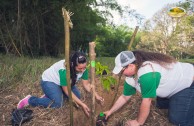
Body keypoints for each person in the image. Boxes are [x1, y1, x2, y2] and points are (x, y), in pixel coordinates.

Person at [104, 50, 194, 126]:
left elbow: (147, 100)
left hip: (187, 82)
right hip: (173, 84)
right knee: (160, 105)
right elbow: (124, 96)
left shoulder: (147, 72)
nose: (122, 74)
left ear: (131, 66)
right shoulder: (131, 76)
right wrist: (110, 111)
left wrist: (138, 122)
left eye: (122, 71)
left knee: (178, 120)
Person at [17, 51, 104, 116]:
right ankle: (30, 100)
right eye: (80, 68)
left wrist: (96, 95)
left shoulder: (84, 69)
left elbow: (86, 85)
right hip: (49, 81)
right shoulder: (64, 70)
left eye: (84, 67)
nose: (83, 70)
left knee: (77, 96)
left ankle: (51, 95)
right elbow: (67, 91)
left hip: (64, 84)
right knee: (58, 104)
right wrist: (82, 104)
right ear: (72, 65)